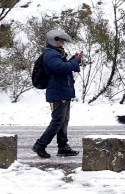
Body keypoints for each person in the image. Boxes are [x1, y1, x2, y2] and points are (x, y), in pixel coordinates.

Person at [31, 29, 83, 159]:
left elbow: (65, 66)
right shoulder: (50, 55)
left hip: (63, 91)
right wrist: (74, 61)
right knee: (58, 121)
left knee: (63, 121)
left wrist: (75, 59)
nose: (62, 43)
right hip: (58, 92)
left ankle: (63, 147)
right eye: (60, 41)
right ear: (53, 41)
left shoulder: (56, 53)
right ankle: (40, 145)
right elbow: (61, 68)